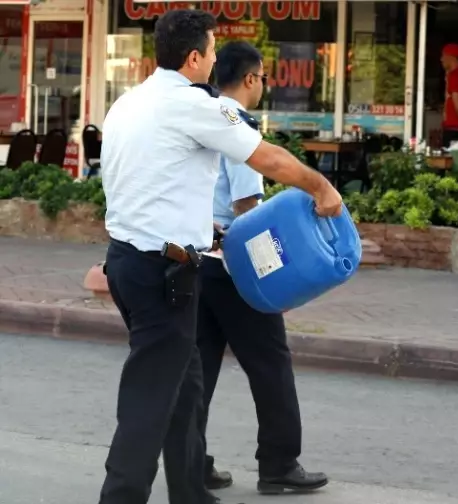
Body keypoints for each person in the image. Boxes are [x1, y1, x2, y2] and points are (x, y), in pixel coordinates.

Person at [98, 9, 341, 504]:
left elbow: (144, 179)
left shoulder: (130, 102)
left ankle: (191, 492)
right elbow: (266, 158)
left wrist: (194, 225)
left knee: (186, 384)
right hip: (160, 272)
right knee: (150, 398)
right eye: (210, 51)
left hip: (130, 260)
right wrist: (322, 186)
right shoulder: (199, 106)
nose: (214, 60)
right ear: (194, 57)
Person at [196, 41, 328, 496]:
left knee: (199, 368)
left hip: (197, 261)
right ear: (252, 78)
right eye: (263, 78)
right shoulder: (238, 126)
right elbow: (248, 208)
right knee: (270, 363)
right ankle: (279, 464)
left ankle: (192, 461)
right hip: (234, 267)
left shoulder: (201, 116)